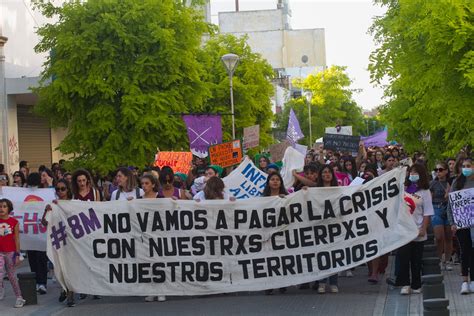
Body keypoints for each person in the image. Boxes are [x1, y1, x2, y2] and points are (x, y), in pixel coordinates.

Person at [398, 164, 434, 295]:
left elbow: (427, 212)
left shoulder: (425, 192)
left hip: (418, 229)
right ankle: (405, 283)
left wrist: (424, 228)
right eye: (411, 172)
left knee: (416, 259)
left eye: (415, 173)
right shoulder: (403, 189)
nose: (412, 175)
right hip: (404, 229)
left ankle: (416, 284)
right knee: (403, 257)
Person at [41, 180, 76, 307]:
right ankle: (64, 289)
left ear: (68, 190)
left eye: (63, 189)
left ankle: (70, 294)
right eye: (58, 189)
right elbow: (44, 223)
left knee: (70, 269)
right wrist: (46, 211)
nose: (60, 191)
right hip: (58, 241)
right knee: (60, 268)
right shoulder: (52, 204)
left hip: (72, 242)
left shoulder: (73, 204)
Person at [447, 157, 474, 294]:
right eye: (464, 165)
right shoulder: (457, 182)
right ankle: (464, 281)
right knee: (465, 251)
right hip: (461, 224)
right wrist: (452, 222)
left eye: (468, 165)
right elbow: (451, 205)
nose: (466, 168)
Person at [140, 175, 166, 302]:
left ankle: (162, 290)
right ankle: (151, 290)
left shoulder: (160, 198)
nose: (144, 186)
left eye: (147, 183)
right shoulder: (139, 199)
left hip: (158, 234)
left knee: (159, 262)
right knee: (148, 263)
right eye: (142, 184)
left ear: (153, 185)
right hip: (145, 235)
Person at [315, 165, 340, 294]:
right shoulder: (315, 190)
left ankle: (334, 282)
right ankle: (322, 282)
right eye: (324, 172)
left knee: (334, 255)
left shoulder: (338, 190)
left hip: (334, 226)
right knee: (322, 255)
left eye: (329, 172)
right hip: (320, 227)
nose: (326, 174)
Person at [262, 172, 288, 295]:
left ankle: (282, 283)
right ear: (268, 182)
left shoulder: (286, 197)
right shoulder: (262, 199)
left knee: (282, 258)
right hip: (268, 232)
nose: (275, 181)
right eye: (272, 179)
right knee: (269, 258)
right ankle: (270, 284)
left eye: (278, 179)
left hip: (282, 231)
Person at [25, 172, 49, 295]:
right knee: (40, 259)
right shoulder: (45, 193)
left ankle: (38, 282)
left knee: (34, 258)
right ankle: (41, 282)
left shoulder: (45, 194)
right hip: (37, 231)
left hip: (31, 232)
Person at [0, 198, 26, 308]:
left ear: (9, 208)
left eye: (4, 206)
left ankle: (19, 297)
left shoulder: (14, 222)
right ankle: (1, 288)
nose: (1, 208)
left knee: (11, 276)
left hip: (10, 252)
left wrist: (17, 254)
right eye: (0, 206)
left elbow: (17, 239)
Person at [430, 162, 453, 271]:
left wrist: (449, 195)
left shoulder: (451, 183)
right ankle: (439, 260)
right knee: (439, 237)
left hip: (448, 209)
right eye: (436, 170)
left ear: (446, 171)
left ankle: (447, 260)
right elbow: (428, 199)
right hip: (436, 209)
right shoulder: (432, 184)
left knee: (449, 236)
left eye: (441, 169)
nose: (438, 172)